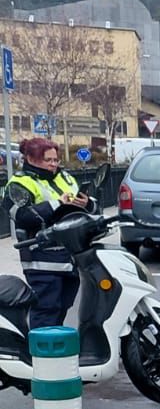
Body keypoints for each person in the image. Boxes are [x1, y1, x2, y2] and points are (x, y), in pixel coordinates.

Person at [5, 137, 89, 329]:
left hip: (70, 255)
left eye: (56, 160)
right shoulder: (19, 183)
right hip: (41, 257)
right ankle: (42, 355)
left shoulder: (64, 177)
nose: (53, 164)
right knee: (46, 309)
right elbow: (23, 216)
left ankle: (55, 352)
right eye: (48, 160)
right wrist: (58, 203)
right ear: (31, 159)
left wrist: (87, 203)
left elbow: (81, 204)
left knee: (63, 307)